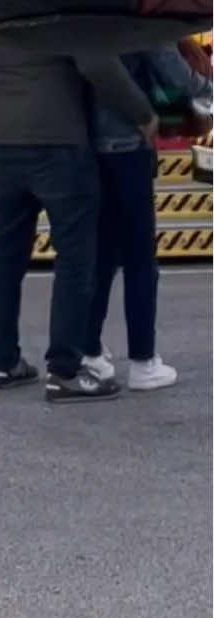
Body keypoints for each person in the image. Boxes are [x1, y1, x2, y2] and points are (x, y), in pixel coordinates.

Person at [0, 34, 156, 402]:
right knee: (76, 257)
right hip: (57, 141)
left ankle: (4, 362)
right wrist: (143, 113)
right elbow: (97, 62)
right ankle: (66, 370)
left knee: (8, 252)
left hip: (2, 141)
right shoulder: (55, 5)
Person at [84, 44, 213, 392]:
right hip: (128, 143)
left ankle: (90, 350)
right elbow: (174, 73)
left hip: (88, 144)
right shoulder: (140, 19)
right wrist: (207, 87)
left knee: (103, 254)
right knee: (141, 260)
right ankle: (143, 362)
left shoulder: (86, 14)